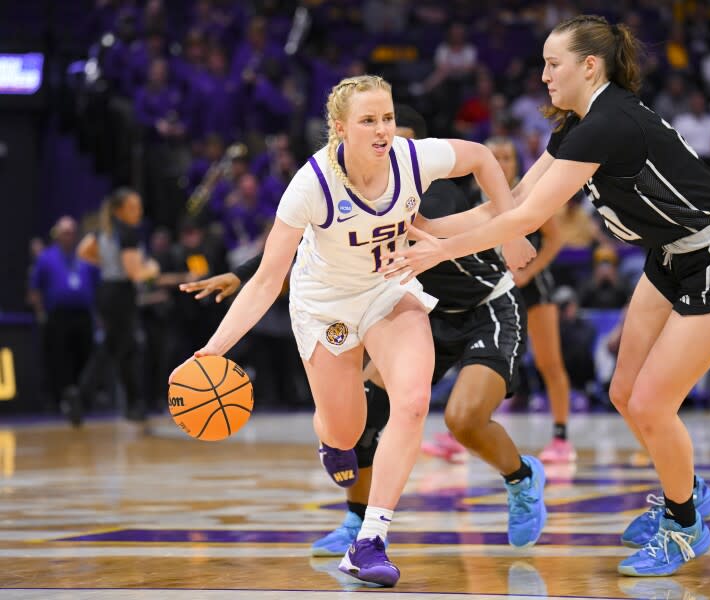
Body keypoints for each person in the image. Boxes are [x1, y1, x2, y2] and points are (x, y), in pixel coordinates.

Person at [382, 15, 710, 577]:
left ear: (590, 66)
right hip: (672, 254)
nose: (542, 75)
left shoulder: (606, 123)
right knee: (623, 390)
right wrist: (428, 230)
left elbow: (531, 218)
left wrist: (438, 253)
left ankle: (685, 524)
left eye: (552, 63)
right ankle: (686, 487)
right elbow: (511, 196)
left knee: (650, 404)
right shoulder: (575, 124)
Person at [170, 76, 534, 588]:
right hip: (326, 308)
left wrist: (513, 227)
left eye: (386, 118)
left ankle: (370, 540)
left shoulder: (412, 158)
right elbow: (268, 279)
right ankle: (330, 439)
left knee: (411, 403)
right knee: (345, 429)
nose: (383, 129)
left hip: (389, 291)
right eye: (369, 121)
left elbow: (480, 156)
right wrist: (211, 352)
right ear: (340, 129)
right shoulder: (312, 184)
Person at [487, 136, 576, 464]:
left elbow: (555, 239)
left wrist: (528, 271)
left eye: (507, 156)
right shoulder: (475, 198)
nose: (500, 163)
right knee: (482, 360)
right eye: (494, 156)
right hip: (495, 288)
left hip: (534, 288)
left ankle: (561, 437)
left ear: (516, 163)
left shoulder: (529, 194)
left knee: (549, 363)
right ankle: (464, 431)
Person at [77, 188, 160, 423]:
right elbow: (135, 274)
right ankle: (124, 403)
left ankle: (85, 398)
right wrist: (152, 269)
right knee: (122, 349)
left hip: (106, 290)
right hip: (121, 294)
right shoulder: (127, 233)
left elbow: (82, 251)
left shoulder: (103, 230)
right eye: (134, 207)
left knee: (119, 348)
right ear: (120, 210)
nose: (139, 211)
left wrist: (107, 263)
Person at [27, 216, 99, 425]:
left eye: (72, 231)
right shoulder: (46, 257)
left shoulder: (85, 258)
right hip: (58, 316)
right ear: (57, 234)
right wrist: (41, 313)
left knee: (85, 357)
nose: (69, 235)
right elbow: (35, 289)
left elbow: (97, 285)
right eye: (65, 232)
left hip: (83, 315)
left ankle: (82, 400)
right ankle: (64, 400)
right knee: (60, 359)